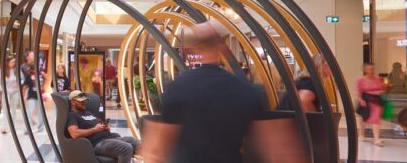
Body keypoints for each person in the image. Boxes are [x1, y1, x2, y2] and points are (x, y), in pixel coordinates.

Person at [152, 22, 267, 163]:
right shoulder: (245, 90)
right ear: (222, 49)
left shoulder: (177, 88)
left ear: (196, 49)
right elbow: (270, 147)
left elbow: (158, 150)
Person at [65, 90, 139, 163]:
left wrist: (105, 127)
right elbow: (74, 134)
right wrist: (94, 129)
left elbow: (100, 126)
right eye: (81, 101)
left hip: (111, 138)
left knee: (137, 143)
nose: (84, 103)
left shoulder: (89, 113)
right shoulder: (72, 115)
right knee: (126, 148)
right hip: (98, 143)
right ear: (73, 102)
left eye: (85, 100)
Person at [357, 63, 387, 146]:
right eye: (369, 69)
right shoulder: (360, 79)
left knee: (376, 118)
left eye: (372, 69)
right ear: (365, 70)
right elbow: (358, 90)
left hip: (376, 101)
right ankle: (361, 134)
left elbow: (382, 89)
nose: (371, 71)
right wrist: (360, 100)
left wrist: (384, 87)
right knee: (364, 118)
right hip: (365, 100)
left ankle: (376, 138)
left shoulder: (378, 78)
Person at [0, 56, 24, 135]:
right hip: (6, 92)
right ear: (8, 63)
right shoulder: (3, 71)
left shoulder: (17, 71)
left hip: (15, 92)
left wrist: (18, 83)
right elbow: (0, 84)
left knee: (14, 110)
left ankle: (13, 127)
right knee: (6, 110)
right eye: (12, 62)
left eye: (14, 62)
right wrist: (4, 90)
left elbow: (23, 79)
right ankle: (4, 127)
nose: (14, 63)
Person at [22, 63, 45, 133]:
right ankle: (28, 128)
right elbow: (25, 86)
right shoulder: (29, 75)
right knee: (30, 112)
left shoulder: (41, 75)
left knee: (40, 112)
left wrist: (43, 87)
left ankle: (40, 128)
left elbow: (45, 81)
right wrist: (23, 96)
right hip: (32, 96)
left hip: (38, 96)